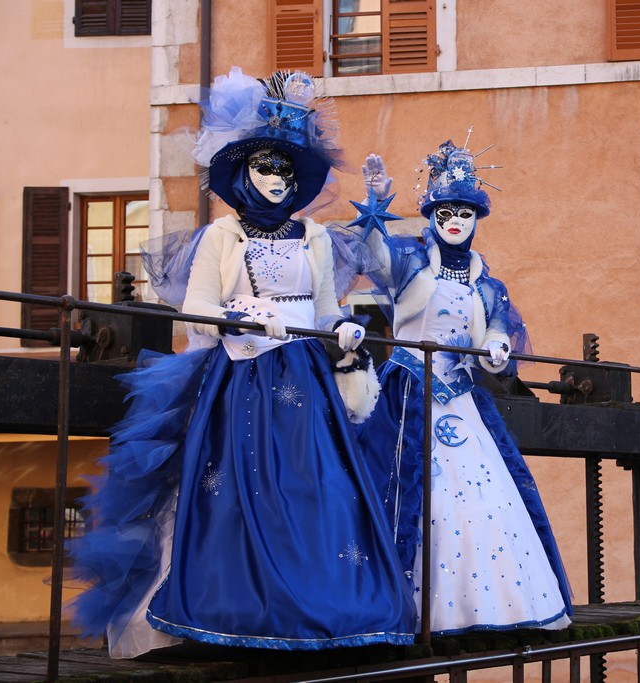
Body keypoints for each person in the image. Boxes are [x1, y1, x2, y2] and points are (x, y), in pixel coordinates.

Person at [68, 67, 415, 657]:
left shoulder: (314, 238)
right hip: (243, 380)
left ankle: (327, 607)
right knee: (243, 488)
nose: (276, 180)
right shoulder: (219, 237)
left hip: (309, 381)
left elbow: (328, 310)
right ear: (242, 174)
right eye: (265, 168)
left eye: (285, 170)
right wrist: (249, 315)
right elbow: (198, 308)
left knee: (320, 488)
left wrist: (347, 328)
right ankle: (243, 611)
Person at [351, 141, 573, 635]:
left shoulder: (487, 284)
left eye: (465, 212)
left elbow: (496, 329)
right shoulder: (411, 262)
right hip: (409, 394)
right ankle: (404, 609)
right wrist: (375, 200)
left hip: (464, 400)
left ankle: (485, 606)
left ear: (477, 218)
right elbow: (374, 259)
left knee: (482, 500)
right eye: (446, 211)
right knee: (410, 494)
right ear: (431, 216)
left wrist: (496, 347)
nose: (455, 220)